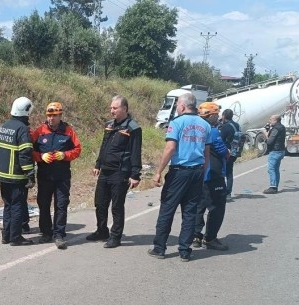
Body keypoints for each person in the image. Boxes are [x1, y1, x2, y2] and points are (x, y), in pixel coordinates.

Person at [147, 93, 210, 262]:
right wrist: (203, 172)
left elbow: (170, 148)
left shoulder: (177, 123)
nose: (176, 109)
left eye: (177, 106)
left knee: (167, 209)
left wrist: (159, 171)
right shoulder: (205, 125)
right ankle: (185, 250)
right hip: (197, 171)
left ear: (182, 106)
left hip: (179, 171)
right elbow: (207, 152)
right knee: (190, 211)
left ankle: (159, 248)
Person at [86, 95, 142, 248]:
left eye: (115, 108)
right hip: (105, 171)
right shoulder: (109, 125)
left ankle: (115, 236)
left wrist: (135, 174)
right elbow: (104, 146)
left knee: (116, 206)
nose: (112, 111)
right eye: (111, 108)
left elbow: (136, 152)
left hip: (120, 172)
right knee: (100, 203)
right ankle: (101, 231)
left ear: (124, 109)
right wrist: (98, 164)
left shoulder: (133, 128)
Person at [31, 102, 82, 249]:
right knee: (44, 204)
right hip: (44, 176)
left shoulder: (68, 131)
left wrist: (64, 155)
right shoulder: (40, 131)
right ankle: (46, 233)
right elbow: (29, 151)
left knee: (61, 205)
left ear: (60, 116)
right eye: (49, 115)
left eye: (54, 116)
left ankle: (59, 234)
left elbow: (77, 150)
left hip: (62, 177)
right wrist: (41, 156)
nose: (51, 118)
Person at [0, 96, 35, 246]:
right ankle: (16, 237)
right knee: (17, 205)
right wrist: (30, 174)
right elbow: (25, 154)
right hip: (16, 176)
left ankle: (6, 235)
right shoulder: (22, 129)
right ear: (26, 112)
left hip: (2, 175)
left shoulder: (4, 126)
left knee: (8, 205)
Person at [193, 102, 229, 251]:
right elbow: (222, 151)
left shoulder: (194, 129)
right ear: (212, 115)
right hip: (212, 175)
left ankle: (195, 236)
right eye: (217, 115)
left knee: (198, 206)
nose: (218, 118)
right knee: (217, 207)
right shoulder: (212, 131)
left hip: (197, 173)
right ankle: (210, 238)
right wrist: (228, 153)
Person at [218, 109, 241, 199]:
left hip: (226, 151)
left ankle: (223, 192)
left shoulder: (225, 127)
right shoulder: (236, 125)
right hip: (234, 151)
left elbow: (221, 139)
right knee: (229, 173)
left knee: (222, 172)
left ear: (224, 116)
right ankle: (228, 193)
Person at [263, 114, 286, 194]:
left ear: (275, 120)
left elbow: (269, 141)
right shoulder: (282, 127)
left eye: (271, 119)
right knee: (276, 169)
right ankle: (275, 186)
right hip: (281, 150)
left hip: (275, 151)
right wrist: (269, 130)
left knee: (271, 169)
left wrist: (266, 134)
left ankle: (273, 187)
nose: (269, 121)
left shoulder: (276, 129)